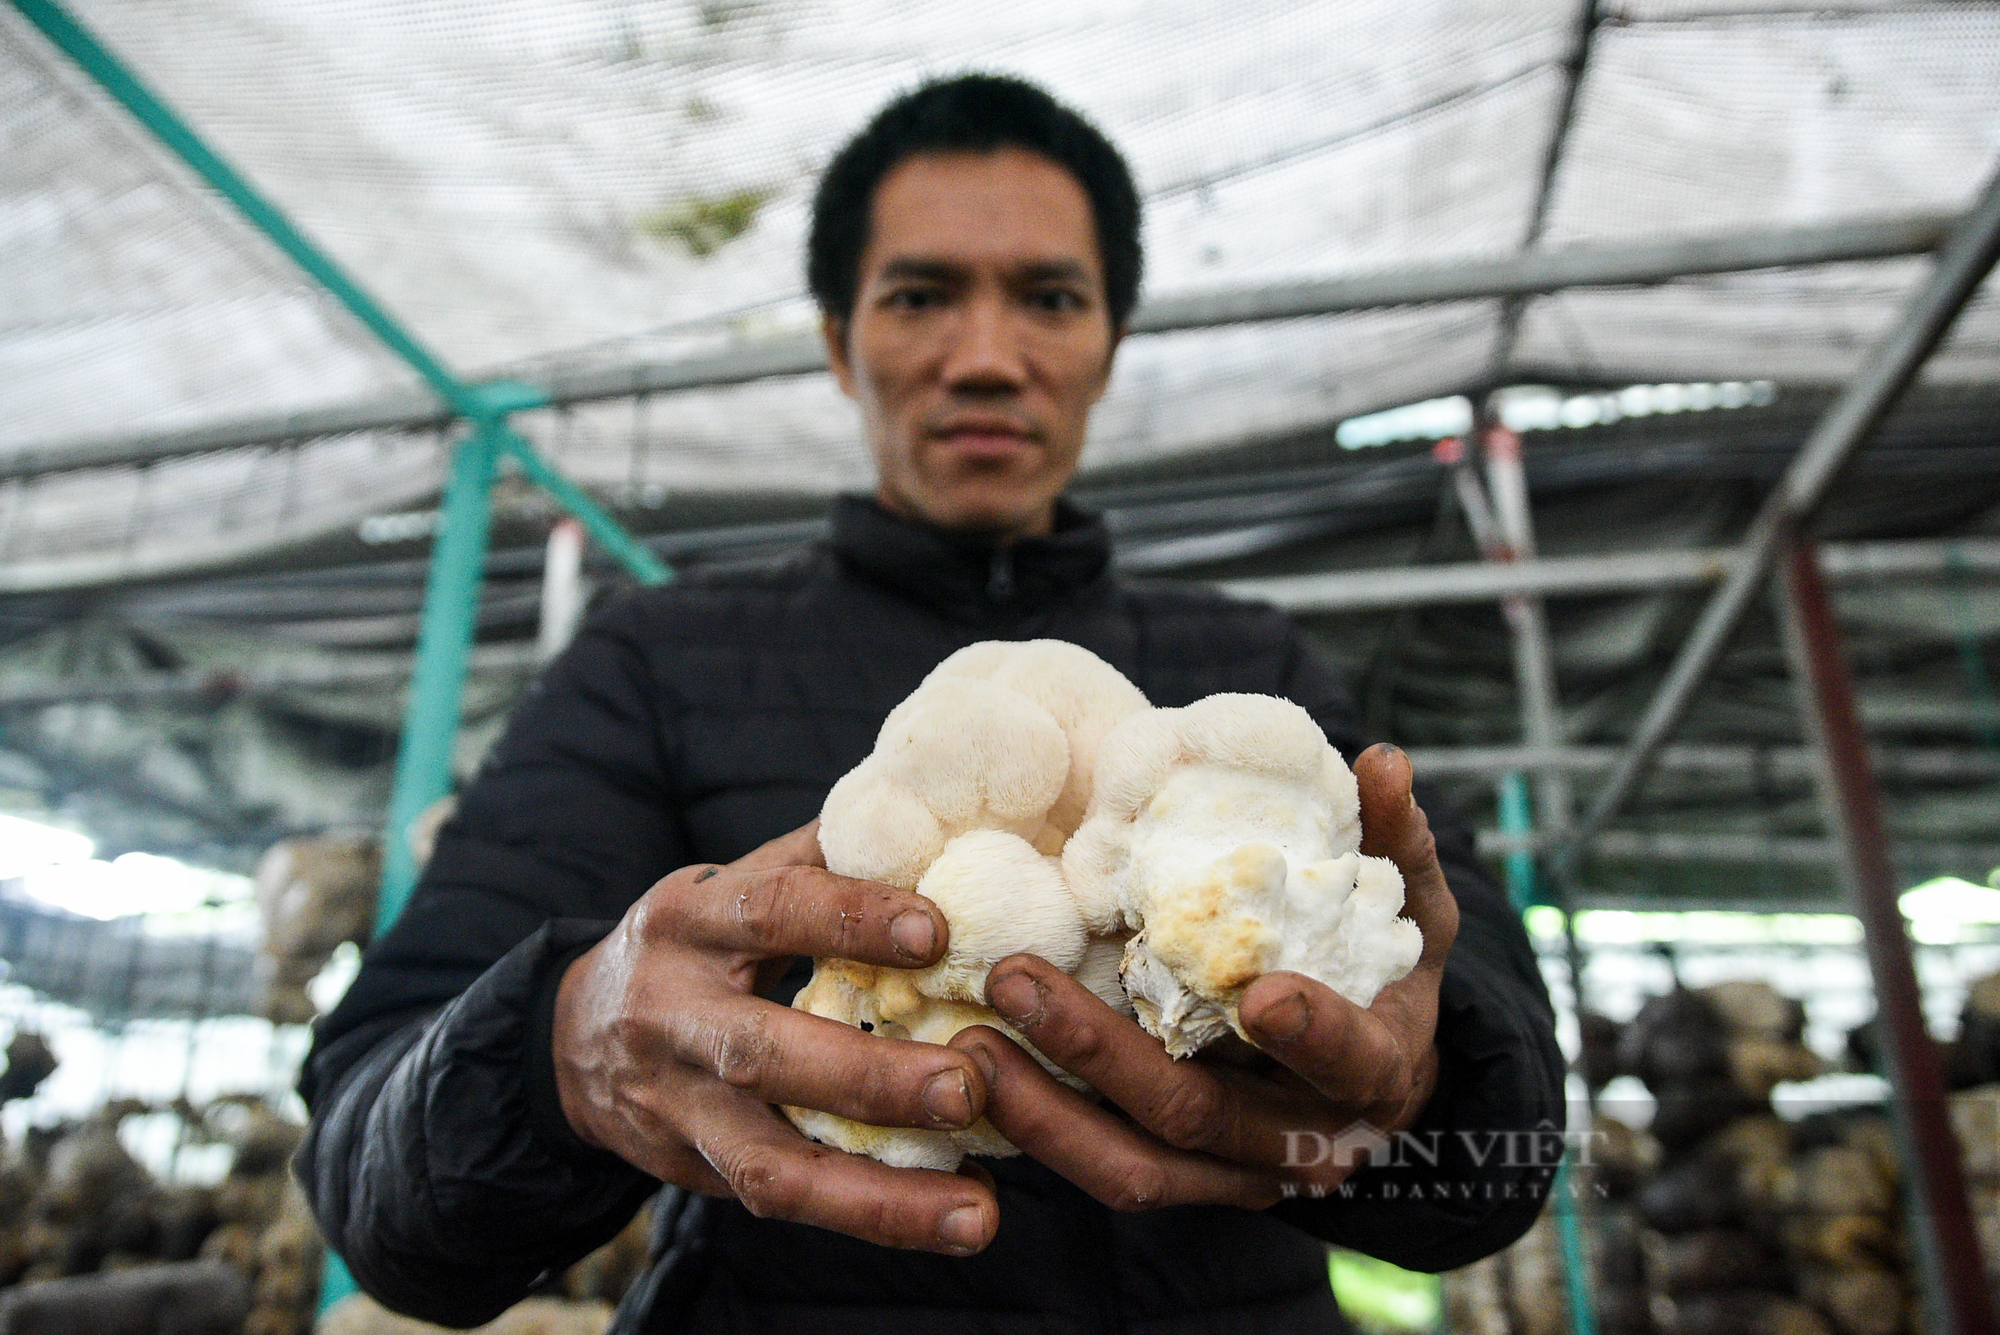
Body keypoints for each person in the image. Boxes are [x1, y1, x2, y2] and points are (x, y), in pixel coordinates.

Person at [298, 74, 1566, 1334]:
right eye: (919, 295)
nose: (983, 357)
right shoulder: (664, 659)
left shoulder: (1246, 665)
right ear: (841, 345)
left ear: (1107, 346)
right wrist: (561, 1053)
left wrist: (1433, 1076)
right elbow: (372, 1168)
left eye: (1049, 298)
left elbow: (1479, 1114)